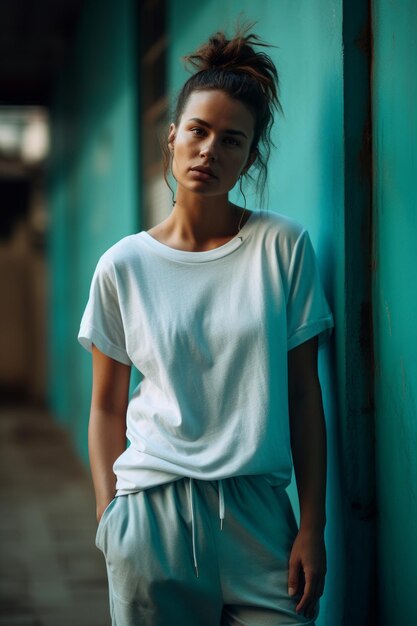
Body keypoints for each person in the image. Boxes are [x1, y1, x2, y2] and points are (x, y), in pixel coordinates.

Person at [78, 24, 334, 626]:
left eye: (231, 140)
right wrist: (107, 517)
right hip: (152, 519)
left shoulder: (282, 247)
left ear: (249, 157)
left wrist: (313, 526)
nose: (209, 150)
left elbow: (303, 395)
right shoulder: (124, 265)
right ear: (171, 138)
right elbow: (106, 406)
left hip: (262, 518)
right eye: (197, 130)